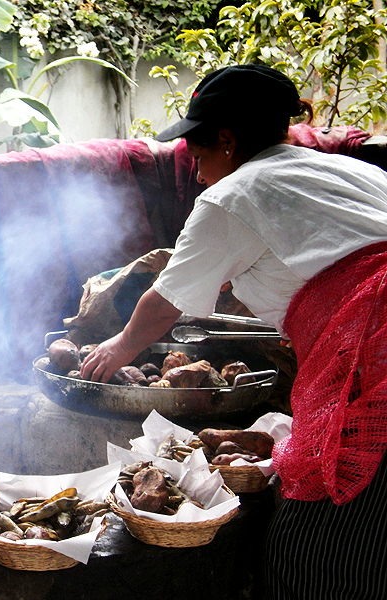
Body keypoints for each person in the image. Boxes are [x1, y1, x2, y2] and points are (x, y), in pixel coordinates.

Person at [80, 64, 387, 599]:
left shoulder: (233, 195)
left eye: (198, 158)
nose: (197, 174)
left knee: (320, 544)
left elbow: (165, 303)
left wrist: (118, 348)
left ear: (226, 139)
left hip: (375, 359)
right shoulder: (352, 173)